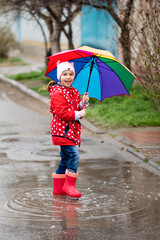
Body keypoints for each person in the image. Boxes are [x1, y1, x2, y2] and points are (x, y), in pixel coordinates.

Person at [47, 61, 89, 198]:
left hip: (70, 131)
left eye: (71, 74)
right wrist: (78, 114)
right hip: (62, 131)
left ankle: (58, 188)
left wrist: (83, 103)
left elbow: (75, 108)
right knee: (73, 155)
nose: (68, 77)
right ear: (59, 76)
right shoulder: (57, 92)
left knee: (65, 159)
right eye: (65, 74)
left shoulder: (74, 91)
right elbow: (62, 113)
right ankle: (69, 185)